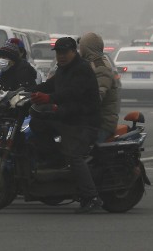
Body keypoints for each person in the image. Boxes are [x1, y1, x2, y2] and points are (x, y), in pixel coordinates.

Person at [30, 36, 103, 213]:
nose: (61, 56)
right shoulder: (63, 69)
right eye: (58, 53)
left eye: (64, 52)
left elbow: (71, 93)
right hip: (67, 117)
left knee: (74, 155)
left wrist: (50, 98)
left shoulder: (81, 70)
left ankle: (92, 196)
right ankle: (53, 162)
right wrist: (31, 91)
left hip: (83, 121)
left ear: (74, 52)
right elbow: (51, 84)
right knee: (37, 122)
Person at [78, 31, 121, 143]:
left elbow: (98, 94)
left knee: (80, 149)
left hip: (102, 123)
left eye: (81, 47)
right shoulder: (87, 64)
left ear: (87, 48)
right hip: (88, 121)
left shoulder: (100, 67)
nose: (79, 50)